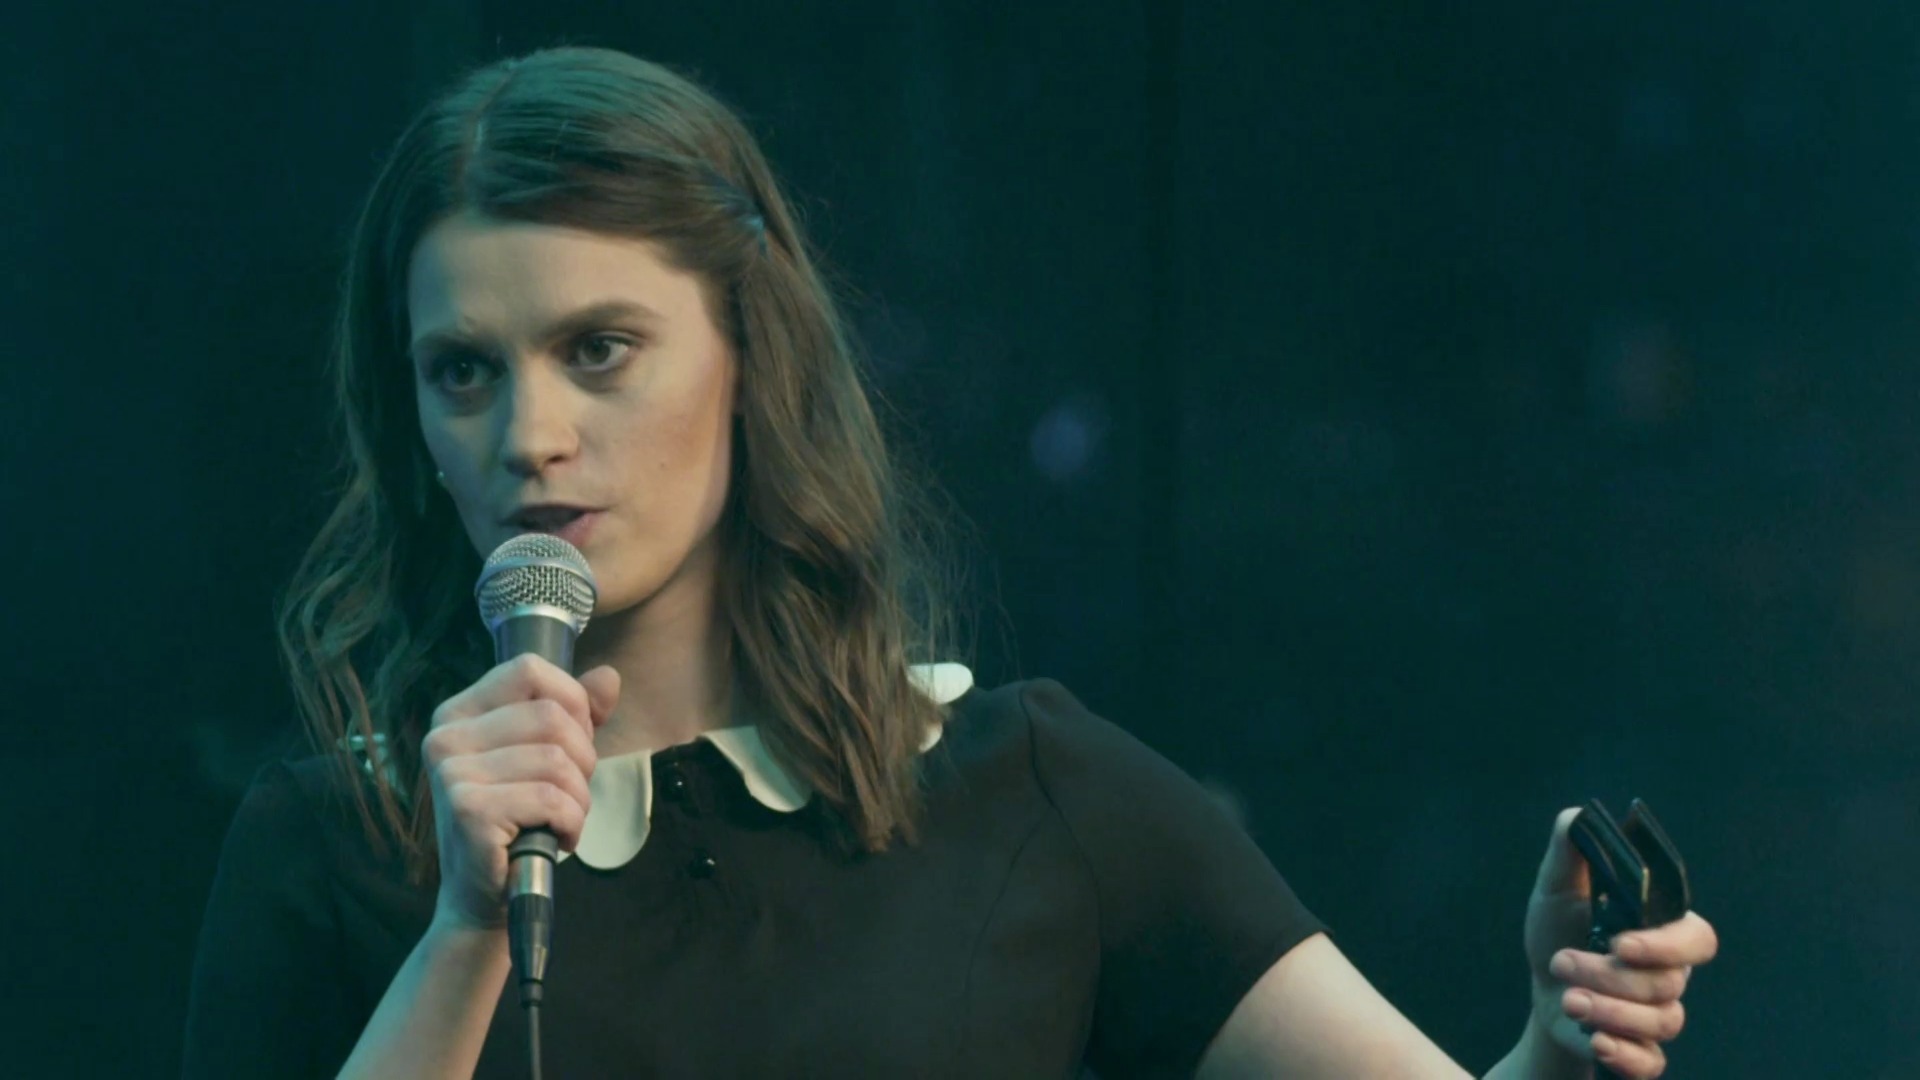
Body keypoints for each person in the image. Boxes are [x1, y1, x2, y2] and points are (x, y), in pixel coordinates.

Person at [180, 45, 1718, 1079]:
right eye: (463, 371)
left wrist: (1559, 1039)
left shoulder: (1024, 789)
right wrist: (464, 931)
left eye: (600, 350)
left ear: (745, 355)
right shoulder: (335, 848)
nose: (530, 435)